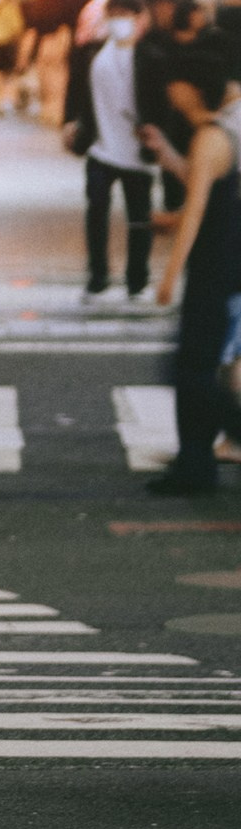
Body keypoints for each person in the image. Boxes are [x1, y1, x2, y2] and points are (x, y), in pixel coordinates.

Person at [149, 42, 241, 495]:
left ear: (189, 86)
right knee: (197, 367)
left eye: (175, 85)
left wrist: (168, 275)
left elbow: (196, 211)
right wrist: (167, 151)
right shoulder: (220, 133)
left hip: (213, 266)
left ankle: (197, 464)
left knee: (191, 369)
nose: (171, 94)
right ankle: (195, 463)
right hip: (226, 264)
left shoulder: (212, 137)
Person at [66, 0, 154, 303]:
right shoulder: (93, 54)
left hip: (138, 152)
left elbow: (158, 103)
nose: (119, 20)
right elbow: (76, 91)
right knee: (97, 214)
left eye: (125, 14)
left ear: (139, 16)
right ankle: (98, 278)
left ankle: (137, 281)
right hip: (100, 147)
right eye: (114, 14)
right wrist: (71, 123)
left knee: (139, 218)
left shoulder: (149, 56)